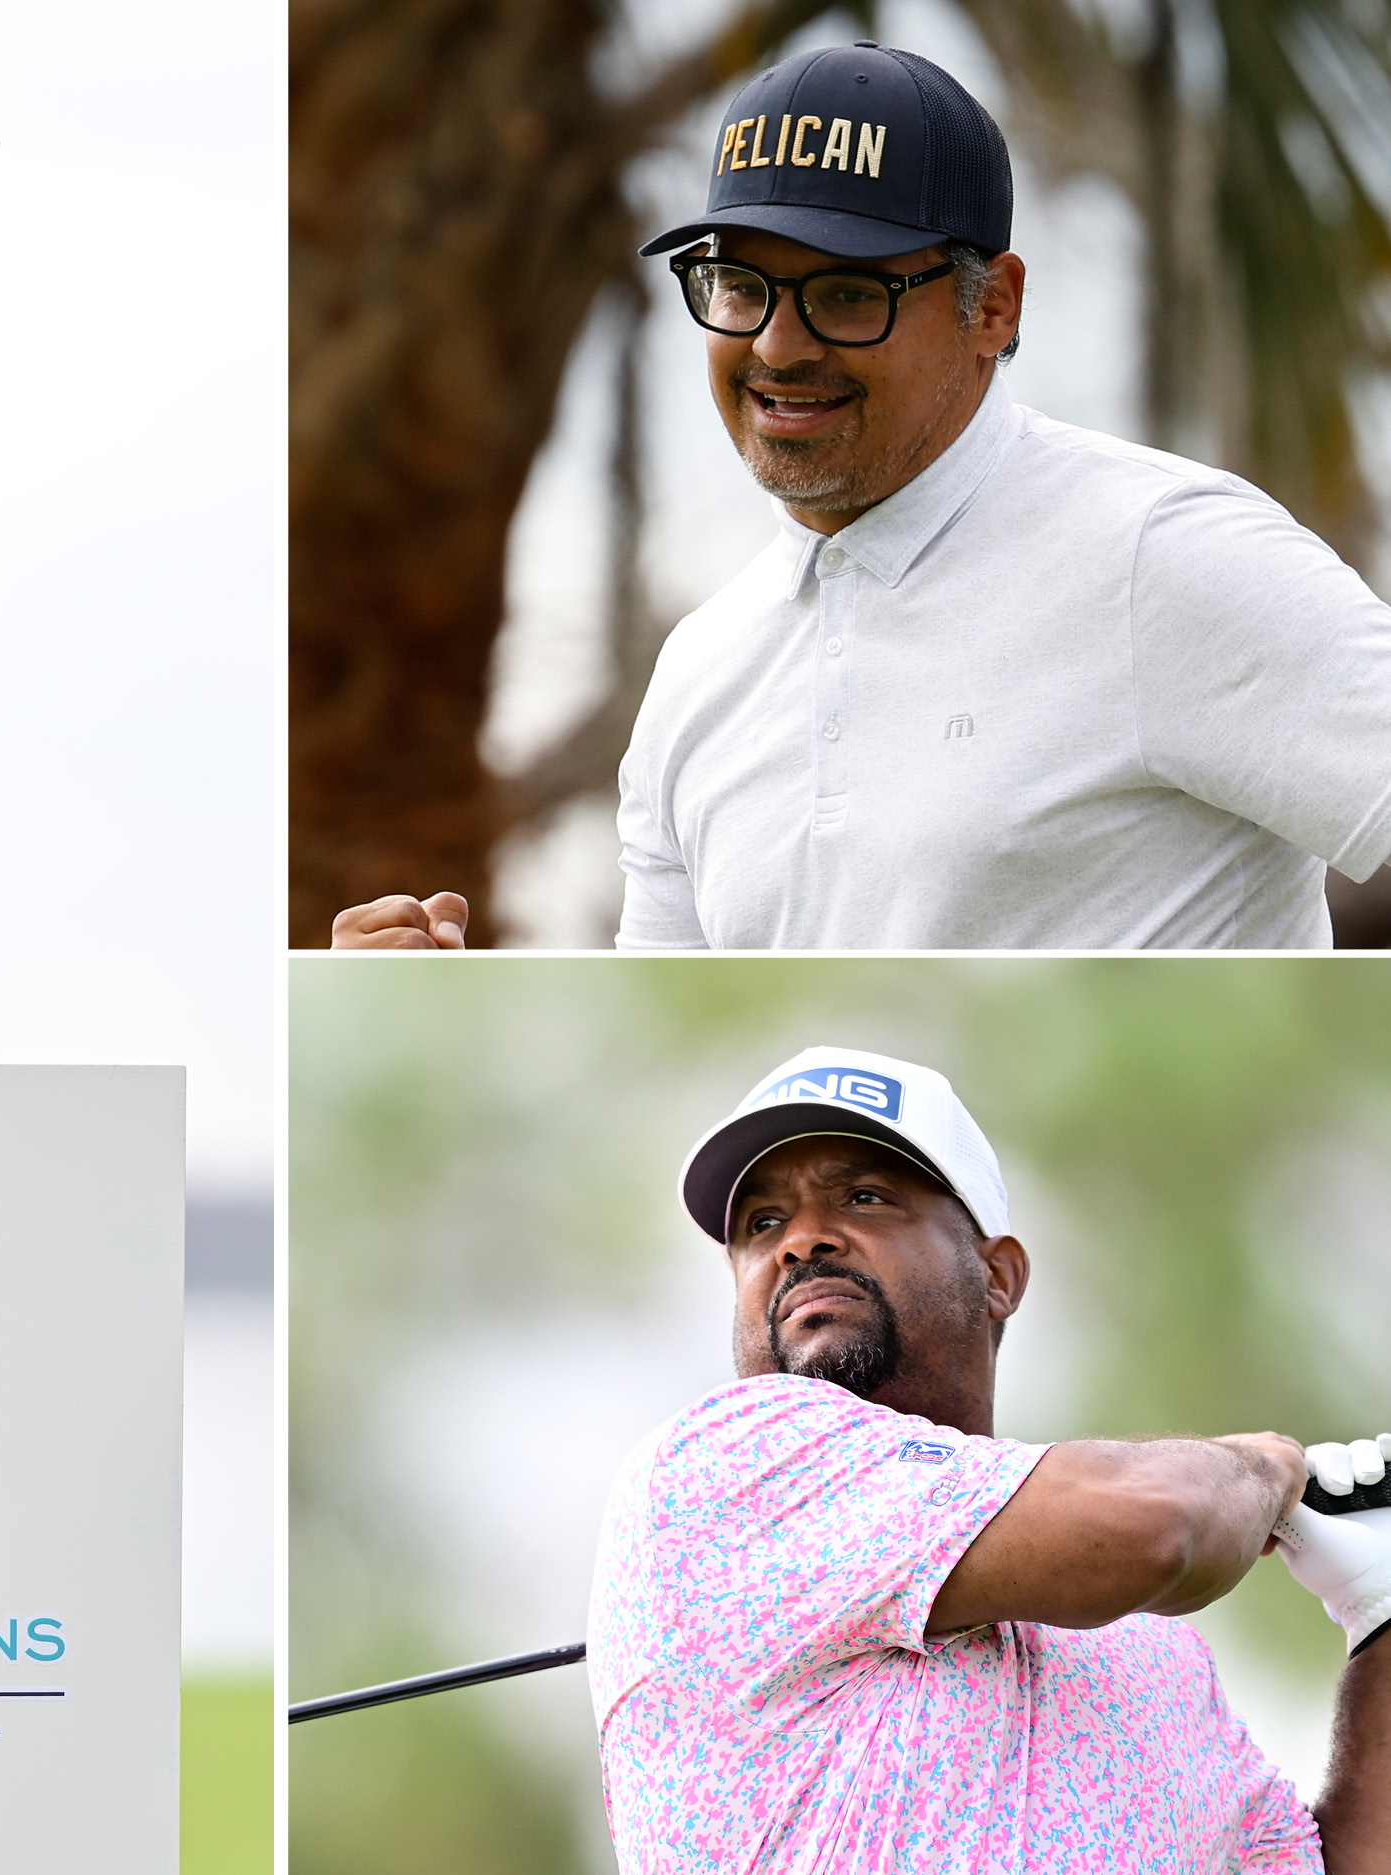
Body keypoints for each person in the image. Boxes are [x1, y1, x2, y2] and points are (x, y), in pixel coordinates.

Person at [330, 42, 1391, 950]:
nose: (778, 346)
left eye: (847, 293)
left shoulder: (1163, 558)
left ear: (995, 307)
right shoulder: (703, 669)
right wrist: (434, 1015)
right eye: (740, 287)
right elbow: (689, 1100)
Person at [588, 1042, 1391, 1869]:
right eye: (762, 1224)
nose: (800, 1242)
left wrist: (1380, 1611)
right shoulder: (723, 1467)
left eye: (862, 1196)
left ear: (997, 1274)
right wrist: (1264, 1464)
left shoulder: (1148, 1654)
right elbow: (1161, 1520)